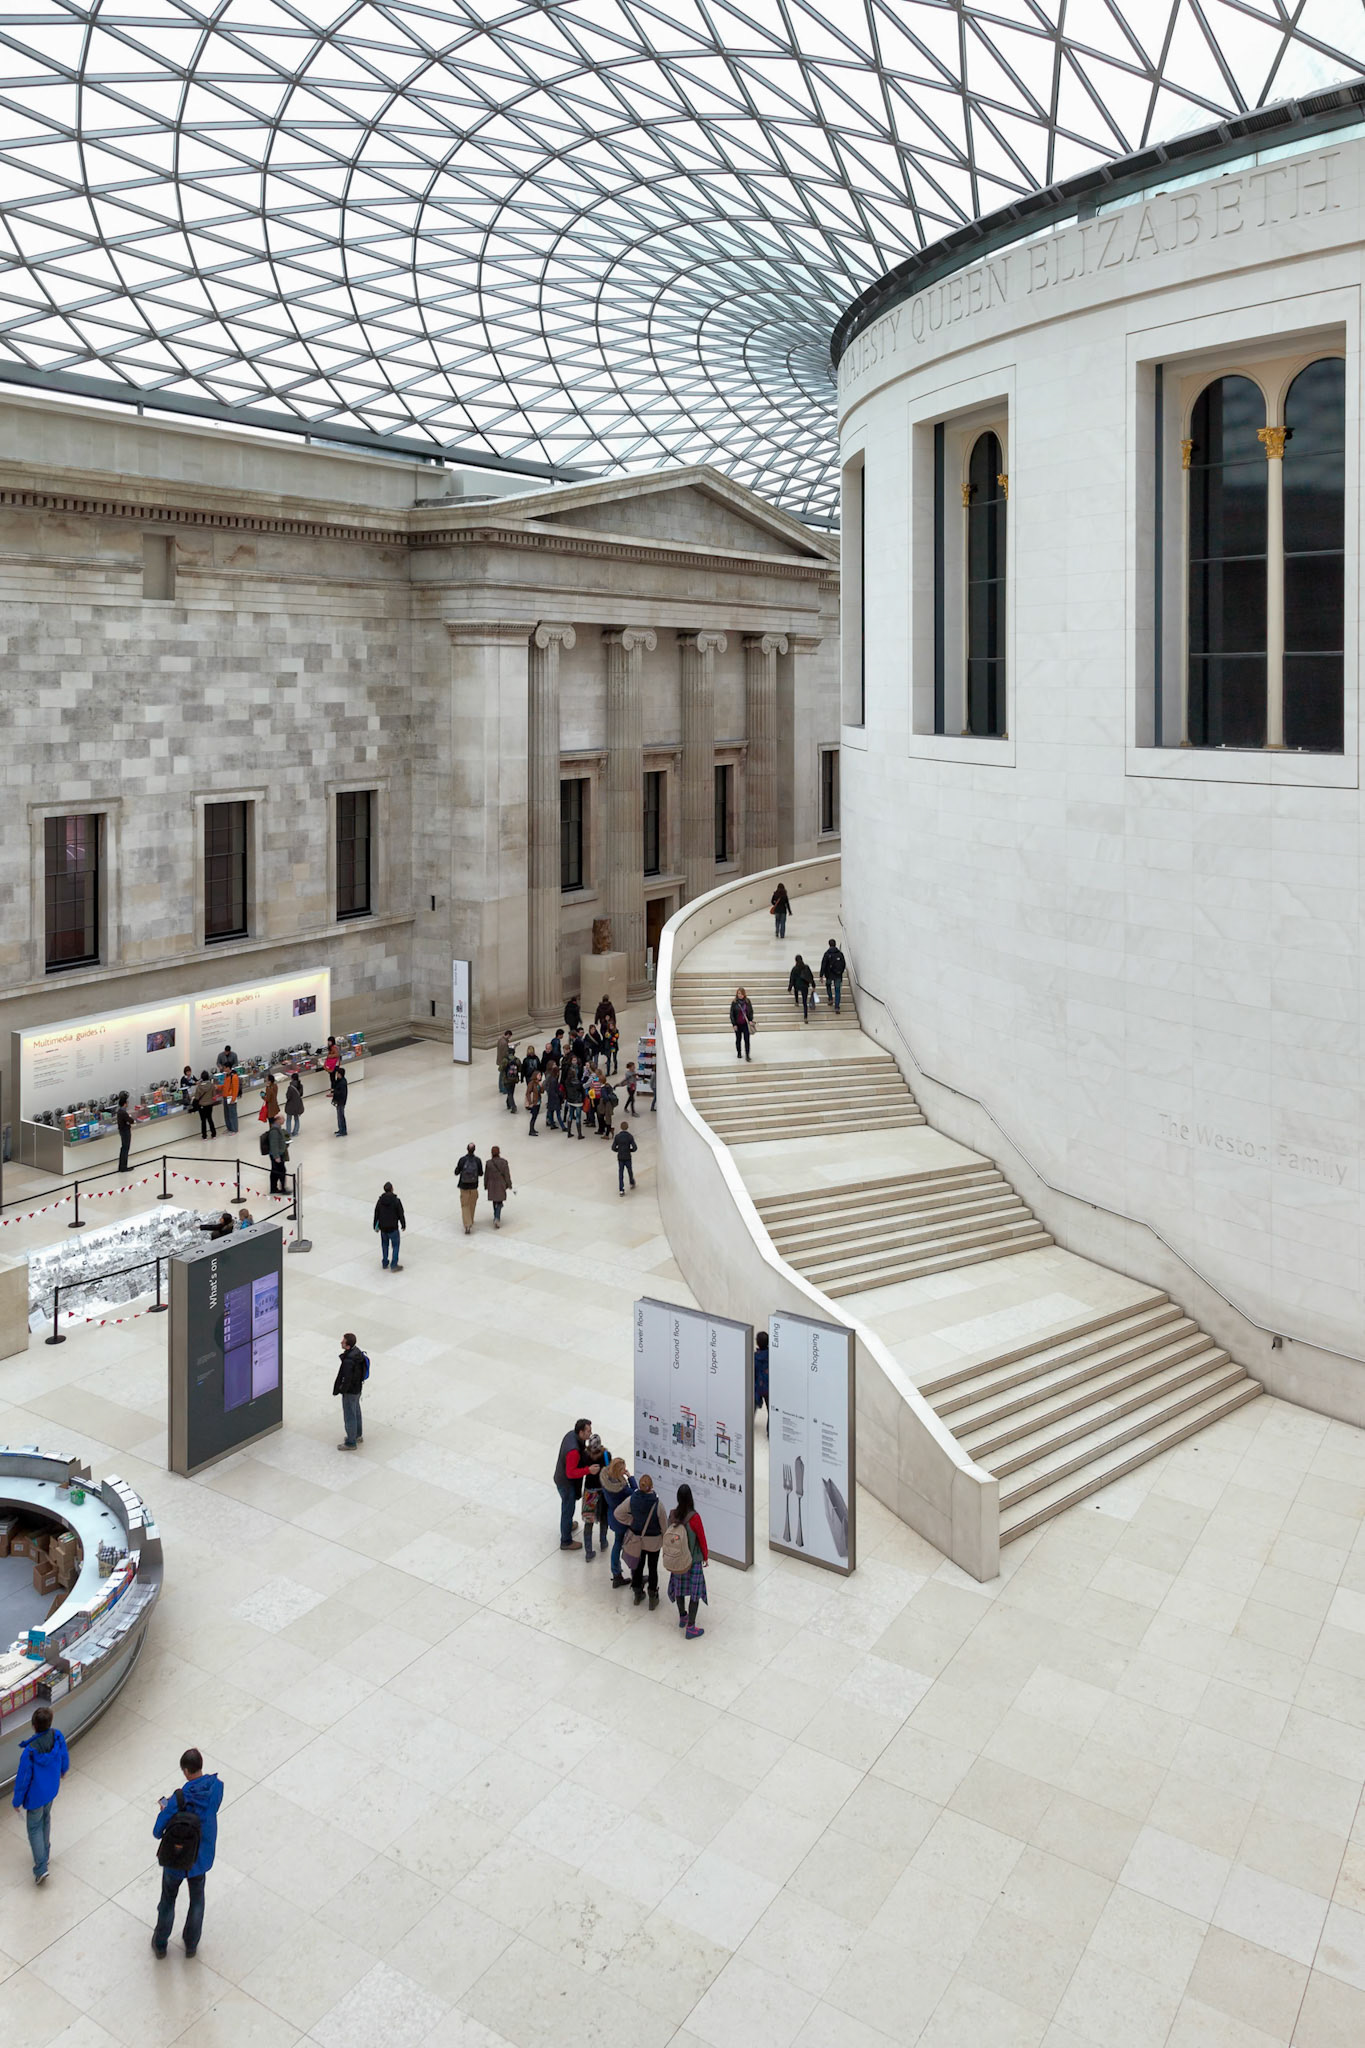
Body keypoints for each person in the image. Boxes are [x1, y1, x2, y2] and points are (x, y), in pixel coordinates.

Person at [150, 1747, 223, 1958]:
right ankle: (191, 1944)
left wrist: (166, 1810)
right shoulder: (216, 1788)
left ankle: (161, 1944)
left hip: (176, 1860)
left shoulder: (177, 1799)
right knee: (197, 1900)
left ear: (185, 1771)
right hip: (200, 1858)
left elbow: (157, 1832)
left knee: (168, 1900)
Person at [11, 1703, 68, 1884]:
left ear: (33, 1726)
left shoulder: (29, 1752)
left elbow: (23, 1780)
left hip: (35, 1797)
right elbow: (64, 1755)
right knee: (46, 1819)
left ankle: (41, 1868)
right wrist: (63, 1769)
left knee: (34, 1828)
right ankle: (46, 1854)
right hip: (51, 1790)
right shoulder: (57, 1736)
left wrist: (17, 1801)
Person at [667, 1483, 709, 1638]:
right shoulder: (695, 1518)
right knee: (694, 1593)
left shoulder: (672, 1515)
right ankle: (691, 1627)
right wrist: (705, 1556)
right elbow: (702, 1539)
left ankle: (682, 1616)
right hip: (693, 1561)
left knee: (679, 1589)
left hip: (678, 1560)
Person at [553, 1418, 597, 1549]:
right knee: (568, 1509)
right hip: (566, 1484)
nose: (590, 1433)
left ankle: (567, 1526)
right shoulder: (573, 1451)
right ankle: (566, 1541)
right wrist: (588, 1470)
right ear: (581, 1432)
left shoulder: (572, 1435)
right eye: (588, 1431)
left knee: (568, 1508)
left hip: (562, 1478)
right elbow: (571, 1473)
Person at [621, 1474, 663, 1607]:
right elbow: (664, 1526)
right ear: (652, 1487)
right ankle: (653, 1597)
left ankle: (637, 1594)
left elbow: (618, 1513)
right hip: (654, 1543)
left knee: (638, 1567)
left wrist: (631, 1521)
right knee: (653, 1568)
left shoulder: (632, 1499)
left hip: (637, 1541)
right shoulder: (657, 1504)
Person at [600, 1455, 636, 1586]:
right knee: (628, 1546)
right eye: (623, 1469)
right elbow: (635, 1492)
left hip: (612, 1515)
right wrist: (630, 1477)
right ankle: (633, 1575)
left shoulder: (605, 1479)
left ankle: (616, 1573)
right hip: (622, 1519)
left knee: (617, 1544)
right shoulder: (621, 1489)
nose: (625, 1470)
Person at [334, 1332, 366, 1448]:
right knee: (356, 1411)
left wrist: (341, 1389)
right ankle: (357, 1435)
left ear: (347, 1346)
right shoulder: (358, 1353)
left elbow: (346, 1378)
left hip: (350, 1391)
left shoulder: (349, 1360)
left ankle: (351, 1442)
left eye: (343, 1342)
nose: (341, 1342)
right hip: (357, 1388)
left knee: (349, 1415)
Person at [373, 1183, 405, 1270]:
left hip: (383, 1228)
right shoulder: (396, 1201)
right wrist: (403, 1224)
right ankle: (394, 1265)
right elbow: (401, 1213)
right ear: (392, 1189)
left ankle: (385, 1262)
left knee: (384, 1245)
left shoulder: (380, 1201)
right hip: (393, 1228)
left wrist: (375, 1225)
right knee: (395, 1245)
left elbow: (376, 1213)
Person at [455, 1142, 483, 1233]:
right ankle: (471, 1219)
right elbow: (481, 1173)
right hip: (474, 1186)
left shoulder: (462, 1160)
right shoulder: (477, 1160)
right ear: (474, 1150)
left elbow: (456, 1172)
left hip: (464, 1186)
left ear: (467, 1149)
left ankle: (467, 1225)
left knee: (465, 1205)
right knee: (472, 1204)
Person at [484, 1145, 512, 1227]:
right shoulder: (504, 1162)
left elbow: (486, 1175)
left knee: (494, 1201)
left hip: (491, 1185)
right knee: (499, 1201)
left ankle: (496, 1216)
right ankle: (497, 1217)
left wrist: (485, 1185)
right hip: (501, 1184)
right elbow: (507, 1175)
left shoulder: (488, 1163)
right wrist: (509, 1184)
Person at [820, 939, 846, 1015]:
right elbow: (843, 964)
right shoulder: (840, 954)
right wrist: (840, 972)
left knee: (828, 985)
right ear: (835, 944)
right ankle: (837, 1006)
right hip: (838, 975)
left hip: (829, 975)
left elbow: (823, 965)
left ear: (829, 944)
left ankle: (830, 998)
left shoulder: (827, 954)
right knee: (837, 990)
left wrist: (821, 975)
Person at [612, 1119, 638, 1195]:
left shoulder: (617, 1137)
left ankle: (621, 1189)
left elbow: (613, 1147)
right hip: (627, 1157)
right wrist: (630, 1150)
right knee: (630, 1171)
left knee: (621, 1173)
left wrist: (619, 1150)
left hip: (620, 1157)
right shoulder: (630, 1136)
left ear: (621, 1127)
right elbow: (635, 1148)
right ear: (627, 1127)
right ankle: (632, 1182)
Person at [789, 954, 815, 1022]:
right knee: (804, 1002)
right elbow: (811, 976)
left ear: (795, 961)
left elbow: (792, 979)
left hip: (797, 985)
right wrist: (813, 985)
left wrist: (789, 988)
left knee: (796, 990)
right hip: (805, 986)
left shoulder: (794, 969)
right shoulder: (806, 967)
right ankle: (805, 1017)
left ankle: (797, 1001)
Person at [266, 1114, 288, 1196]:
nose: (284, 1120)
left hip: (278, 1154)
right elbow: (273, 1144)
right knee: (281, 1171)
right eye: (283, 1119)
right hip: (277, 1155)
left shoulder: (277, 1128)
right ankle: (283, 1189)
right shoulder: (274, 1131)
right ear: (278, 1120)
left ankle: (274, 1188)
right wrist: (276, 1157)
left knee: (275, 1172)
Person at [562, 1061, 585, 1139]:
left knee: (570, 1115)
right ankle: (579, 1134)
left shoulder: (567, 1082)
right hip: (578, 1101)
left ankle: (569, 1132)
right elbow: (582, 1092)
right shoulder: (578, 1083)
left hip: (570, 1100)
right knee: (578, 1117)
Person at [730, 988, 753, 1061]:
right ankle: (739, 1052)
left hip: (745, 1024)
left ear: (744, 994)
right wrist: (734, 1024)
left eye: (741, 993)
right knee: (738, 1039)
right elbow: (731, 1014)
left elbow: (751, 1011)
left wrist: (750, 1020)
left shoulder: (747, 1001)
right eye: (739, 993)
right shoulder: (734, 1002)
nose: (740, 995)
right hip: (738, 1024)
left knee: (747, 1040)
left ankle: (747, 1055)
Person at [753, 1330, 770, 1433]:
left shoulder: (755, 1357)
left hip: (757, 1387)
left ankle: (747, 1425)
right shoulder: (771, 1356)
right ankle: (770, 1432)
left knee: (752, 1407)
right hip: (768, 1387)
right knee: (770, 1411)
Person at [193, 1071, 218, 1140]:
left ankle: (204, 1136)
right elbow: (214, 1096)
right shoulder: (211, 1085)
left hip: (202, 1105)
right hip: (210, 1104)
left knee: (203, 1120)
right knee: (210, 1119)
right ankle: (213, 1134)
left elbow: (197, 1097)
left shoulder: (199, 1087)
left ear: (201, 1078)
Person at [219, 1063, 240, 1135]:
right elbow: (225, 1086)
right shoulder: (226, 1076)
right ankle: (229, 1128)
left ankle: (234, 1129)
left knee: (232, 1114)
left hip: (230, 1098)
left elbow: (235, 1089)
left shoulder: (234, 1077)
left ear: (228, 1068)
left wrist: (233, 1099)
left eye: (225, 1068)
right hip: (225, 1097)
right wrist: (218, 1087)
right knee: (227, 1114)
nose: (224, 1069)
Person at [544, 1058, 563, 1132]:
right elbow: (547, 1084)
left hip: (552, 1091)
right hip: (552, 1092)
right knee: (551, 1107)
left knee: (550, 1107)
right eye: (554, 1064)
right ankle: (549, 1119)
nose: (555, 1065)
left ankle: (550, 1121)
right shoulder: (549, 1075)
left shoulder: (553, 1074)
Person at [116, 1091, 133, 1172]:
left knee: (123, 1148)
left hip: (122, 1131)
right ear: (125, 1103)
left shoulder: (119, 1111)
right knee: (125, 1148)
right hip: (125, 1131)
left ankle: (122, 1166)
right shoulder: (123, 1112)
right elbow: (130, 1120)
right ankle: (123, 1166)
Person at [284, 1071, 304, 1138]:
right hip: (297, 1104)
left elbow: (288, 1096)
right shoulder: (301, 1086)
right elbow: (301, 1094)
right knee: (296, 1119)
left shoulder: (290, 1087)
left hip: (290, 1105)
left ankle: (288, 1133)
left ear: (292, 1078)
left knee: (288, 1119)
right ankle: (295, 1132)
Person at [330, 1062, 348, 1136]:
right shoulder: (339, 1080)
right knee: (339, 1116)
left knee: (341, 1116)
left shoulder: (343, 1082)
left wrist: (334, 1092)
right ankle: (340, 1129)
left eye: (337, 1073)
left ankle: (343, 1131)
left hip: (341, 1101)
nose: (337, 1075)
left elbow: (341, 1093)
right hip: (338, 1101)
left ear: (340, 1074)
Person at [525, 1065, 543, 1136]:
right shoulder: (531, 1083)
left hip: (538, 1101)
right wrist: (530, 1102)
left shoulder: (538, 1083)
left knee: (535, 1116)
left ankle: (533, 1129)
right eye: (539, 1075)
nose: (540, 1076)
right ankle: (531, 1130)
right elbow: (528, 1093)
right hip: (534, 1102)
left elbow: (542, 1092)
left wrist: (541, 1086)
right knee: (533, 1116)